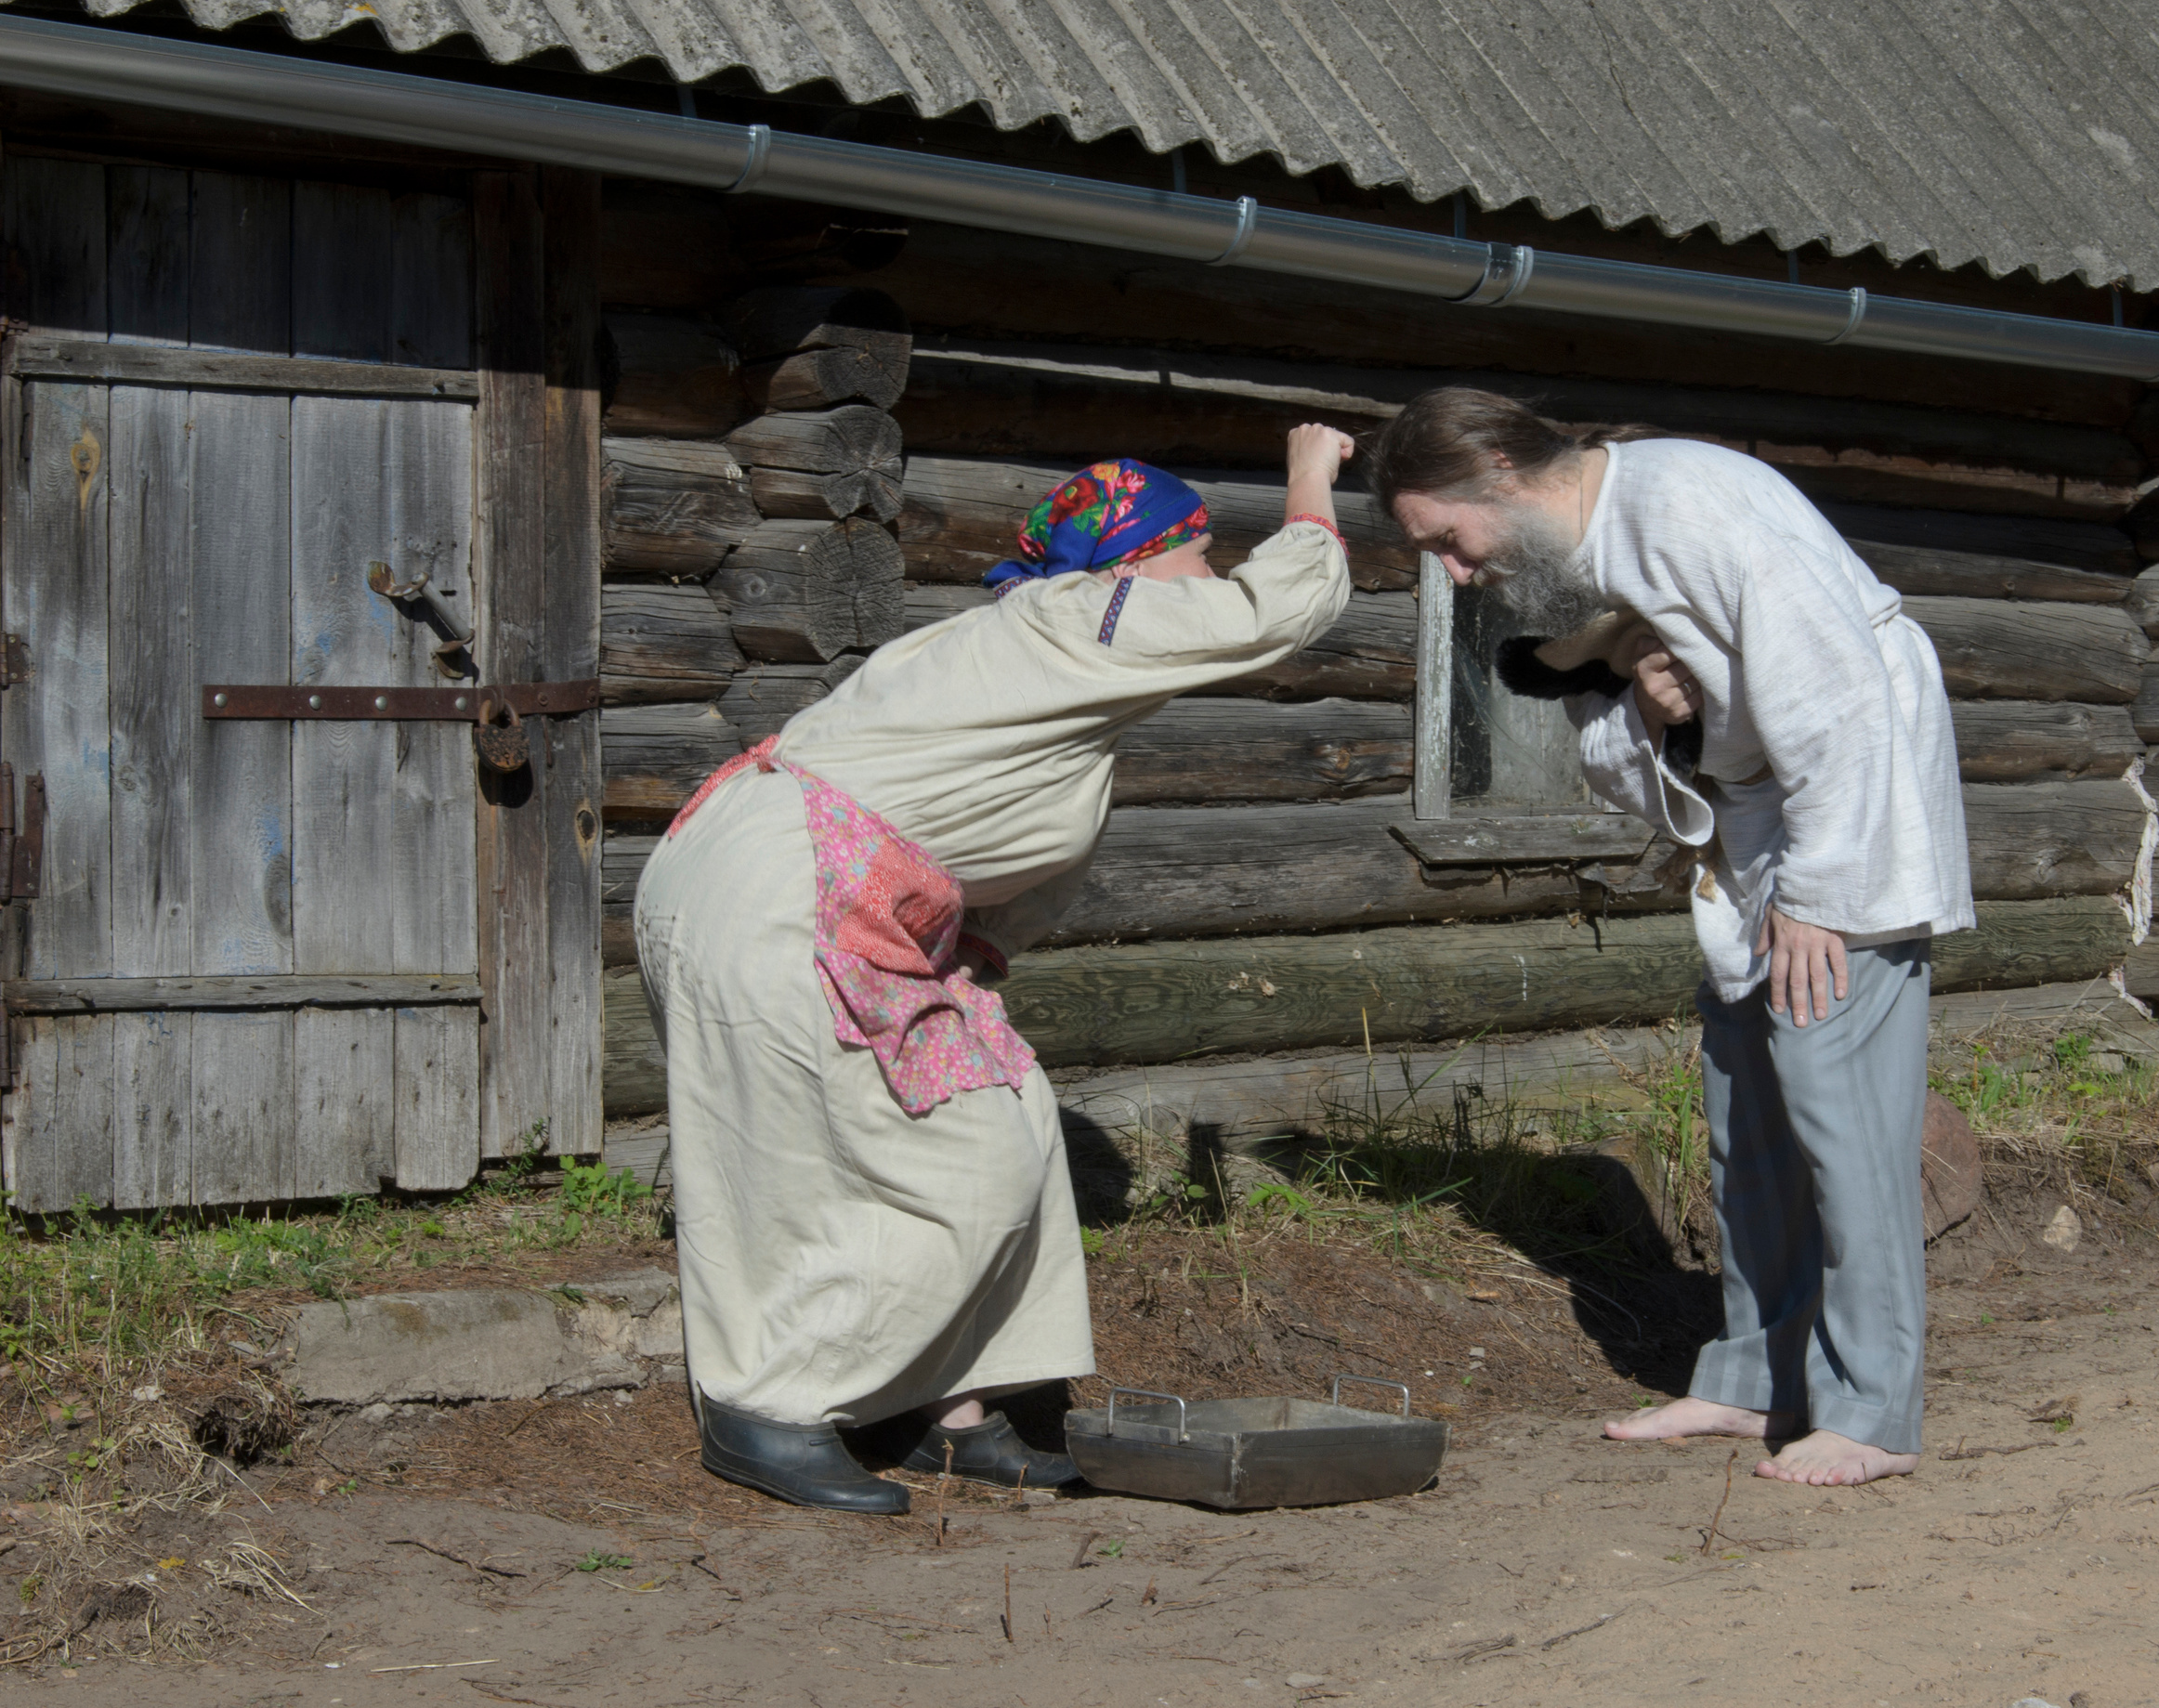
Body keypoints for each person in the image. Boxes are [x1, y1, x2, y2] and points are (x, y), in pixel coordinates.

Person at [635, 426, 1356, 1513]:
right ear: (1133, 561)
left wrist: (963, 960)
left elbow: (995, 863)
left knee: (1008, 1110)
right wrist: (1310, 479)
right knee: (899, 1159)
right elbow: (1275, 611)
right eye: (1198, 553)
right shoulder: (1076, 615)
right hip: (786, 891)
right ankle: (771, 1404)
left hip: (826, 888)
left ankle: (952, 1412)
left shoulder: (1054, 666)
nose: (1206, 577)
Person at [1368, 388, 1972, 1487]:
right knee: (1747, 1115)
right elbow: (1628, 757)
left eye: (1446, 542)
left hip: (1848, 813)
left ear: (1499, 470)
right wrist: (1651, 701)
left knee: (1840, 1107)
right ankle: (1756, 1381)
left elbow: (1836, 698)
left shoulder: (1692, 505)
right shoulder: (1588, 559)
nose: (1452, 574)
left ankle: (1872, 1408)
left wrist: (1822, 893)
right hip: (1754, 835)